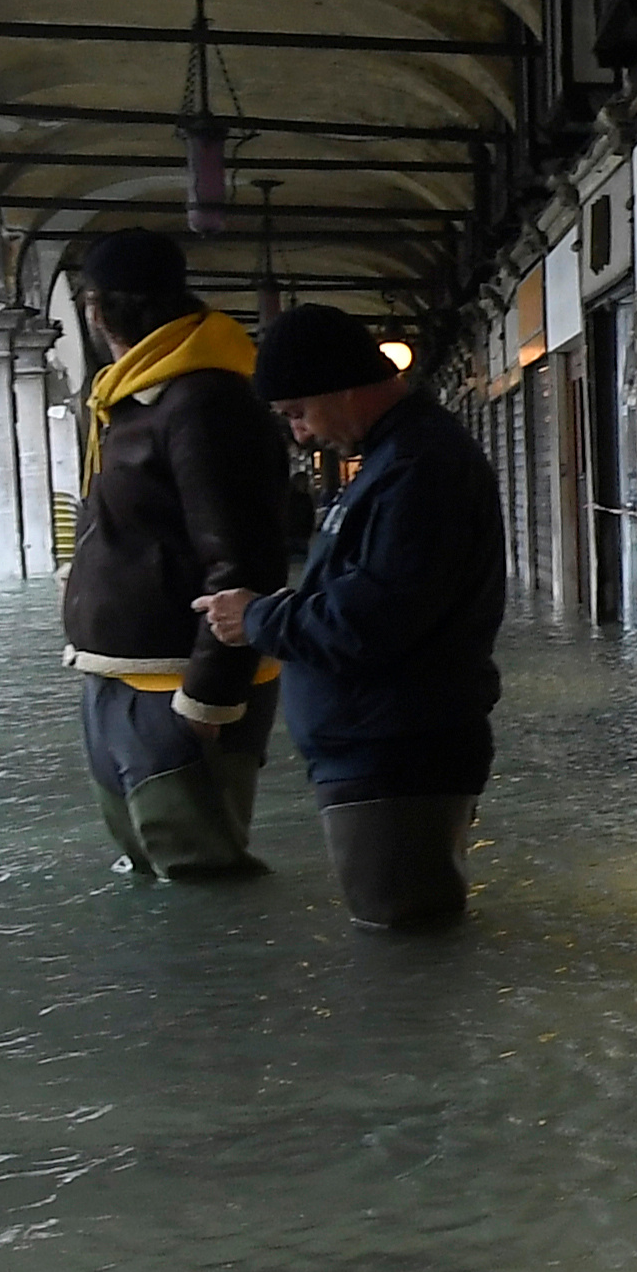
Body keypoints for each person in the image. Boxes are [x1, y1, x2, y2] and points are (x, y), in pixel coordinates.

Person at [202, 304, 505, 929]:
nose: (301, 435)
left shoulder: (419, 471)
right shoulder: (392, 462)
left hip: (397, 756)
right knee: (404, 936)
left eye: (298, 413)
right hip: (378, 748)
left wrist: (258, 620)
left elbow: (371, 621)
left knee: (407, 947)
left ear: (341, 386)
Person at [60, 229, 304, 881]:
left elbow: (244, 560)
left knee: (199, 873)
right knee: (150, 869)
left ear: (96, 308)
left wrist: (207, 699)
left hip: (177, 683)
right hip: (117, 671)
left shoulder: (205, 401)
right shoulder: (131, 399)